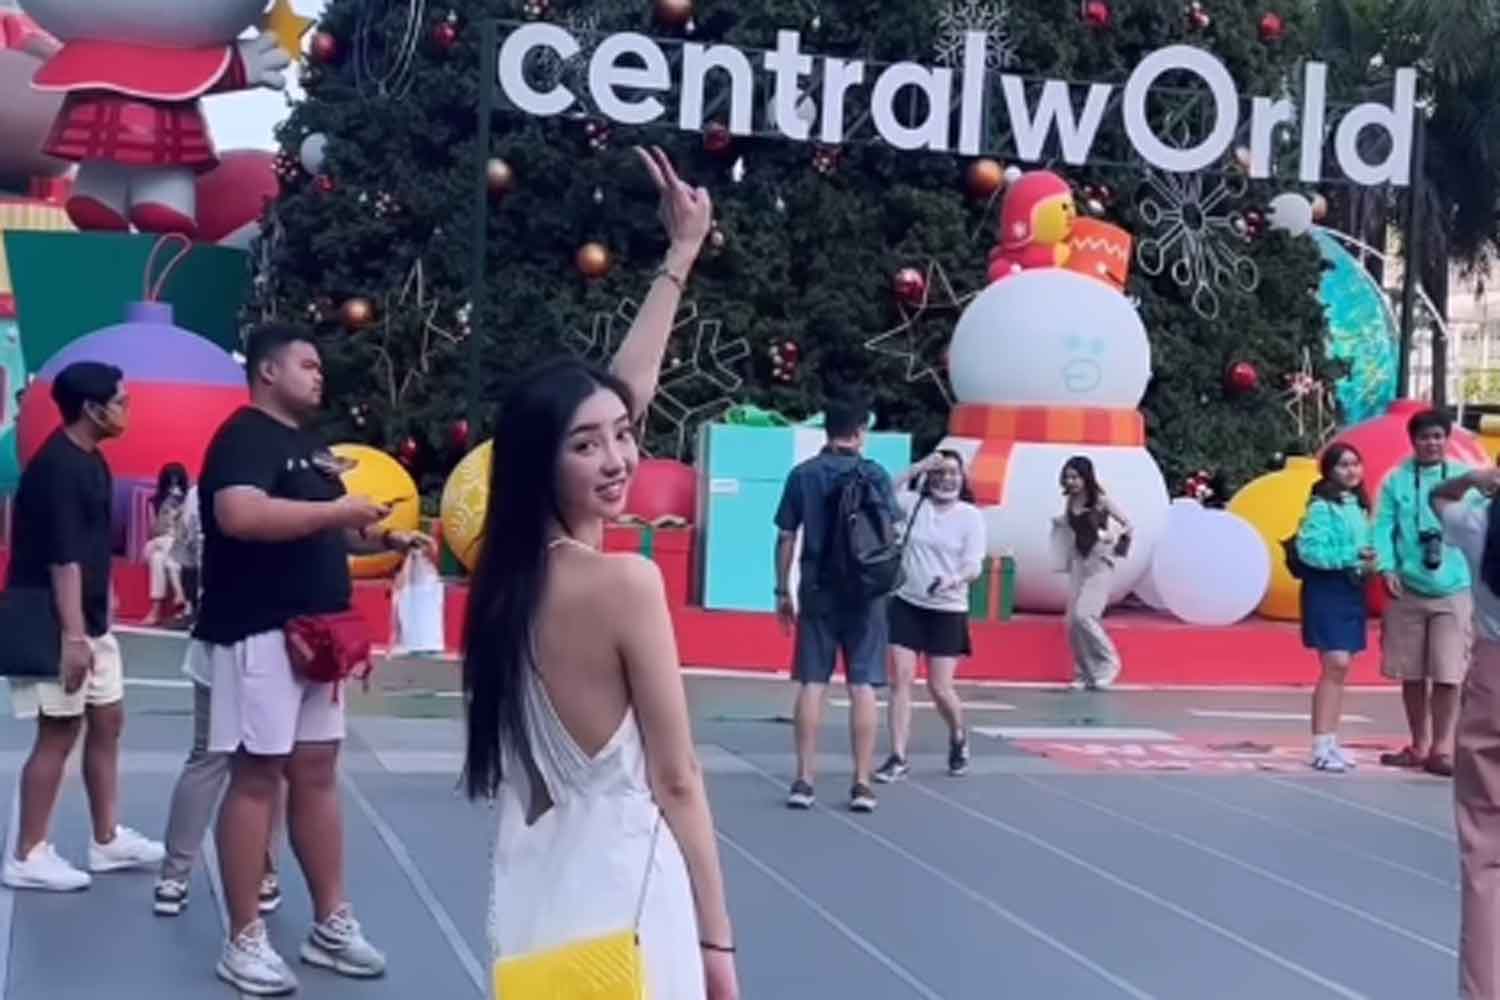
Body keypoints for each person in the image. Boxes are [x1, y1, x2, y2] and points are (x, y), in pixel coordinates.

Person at [464, 147, 738, 1000]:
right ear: (544, 463)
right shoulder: (625, 586)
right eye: (590, 446)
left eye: (624, 435)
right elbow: (677, 779)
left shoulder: (504, 585)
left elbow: (622, 388)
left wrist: (678, 259)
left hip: (535, 901)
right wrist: (718, 946)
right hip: (630, 904)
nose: (620, 457)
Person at [193, 322, 435, 994]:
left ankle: (331, 923)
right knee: (255, 776)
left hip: (320, 637)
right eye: (306, 363)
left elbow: (336, 535)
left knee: (318, 771)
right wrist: (337, 516)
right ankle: (243, 939)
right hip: (260, 631)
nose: (318, 374)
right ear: (268, 372)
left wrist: (386, 534)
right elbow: (239, 515)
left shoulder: (310, 449)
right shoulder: (244, 437)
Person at [2, 361, 164, 891]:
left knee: (108, 718)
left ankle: (107, 838)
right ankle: (28, 852)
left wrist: (106, 600)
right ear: (93, 409)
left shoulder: (93, 461)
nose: (128, 409)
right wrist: (74, 638)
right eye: (121, 401)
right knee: (59, 731)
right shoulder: (58, 467)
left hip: (89, 617)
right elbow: (62, 559)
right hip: (53, 618)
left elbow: (91, 548)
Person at [774, 394, 901, 813]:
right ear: (860, 432)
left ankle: (803, 780)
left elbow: (787, 535)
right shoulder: (876, 475)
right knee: (862, 685)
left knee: (813, 682)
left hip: (817, 590)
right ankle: (862, 782)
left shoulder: (804, 475)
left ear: (825, 429)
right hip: (866, 593)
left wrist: (782, 590)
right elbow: (889, 531)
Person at [1428, 463, 1500, 998]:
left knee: (1483, 850)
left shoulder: (1479, 522)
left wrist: (1476, 477)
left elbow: (1438, 498)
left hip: (1492, 680)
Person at [150, 641, 285, 917]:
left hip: (221, 643)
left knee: (208, 758)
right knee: (270, 759)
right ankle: (263, 875)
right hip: (269, 651)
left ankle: (173, 879)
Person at [874, 450, 986, 783]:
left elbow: (974, 565)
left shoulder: (970, 516)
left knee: (940, 687)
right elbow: (882, 492)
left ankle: (958, 735)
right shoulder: (913, 505)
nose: (945, 479)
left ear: (962, 478)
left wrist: (952, 580)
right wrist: (920, 466)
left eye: (952, 472)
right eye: (939, 473)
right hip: (907, 601)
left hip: (947, 607)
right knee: (900, 681)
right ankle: (897, 756)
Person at [1374, 409, 1473, 777]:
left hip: (1455, 586)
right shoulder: (1396, 480)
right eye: (1424, 437)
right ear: (1412, 440)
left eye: (1438, 436)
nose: (1431, 443)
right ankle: (1418, 743)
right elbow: (1382, 526)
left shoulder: (1465, 478)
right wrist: (1386, 566)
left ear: (1447, 439)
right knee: (1411, 672)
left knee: (1449, 673)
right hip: (1407, 588)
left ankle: (1442, 747)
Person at [1294, 442, 1376, 773]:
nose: (1351, 471)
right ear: (1329, 470)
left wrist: (1370, 561)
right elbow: (1311, 551)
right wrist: (1350, 559)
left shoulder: (1358, 506)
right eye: (1343, 465)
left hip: (1352, 589)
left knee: (1341, 669)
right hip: (1326, 589)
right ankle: (1320, 744)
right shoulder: (1320, 508)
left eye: (1355, 464)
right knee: (1335, 661)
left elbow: (1366, 544)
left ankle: (1330, 740)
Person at [1053, 455, 1133, 690]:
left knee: (1085, 616)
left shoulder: (1101, 501)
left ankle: (1108, 663)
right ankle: (1084, 672)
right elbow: (1074, 527)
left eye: (1075, 477)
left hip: (1100, 560)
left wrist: (1112, 536)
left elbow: (1128, 525)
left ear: (1086, 477)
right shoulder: (1070, 503)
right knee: (1071, 622)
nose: (1071, 482)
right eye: (1068, 477)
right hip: (1079, 561)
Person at [142, 462, 191, 626]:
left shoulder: (188, 502)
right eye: (170, 482)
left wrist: (179, 512)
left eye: (177, 482)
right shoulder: (153, 502)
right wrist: (165, 511)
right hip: (154, 543)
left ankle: (155, 612)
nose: (174, 486)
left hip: (172, 547)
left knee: (159, 559)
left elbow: (185, 533)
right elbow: (151, 532)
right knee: (162, 549)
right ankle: (179, 594)